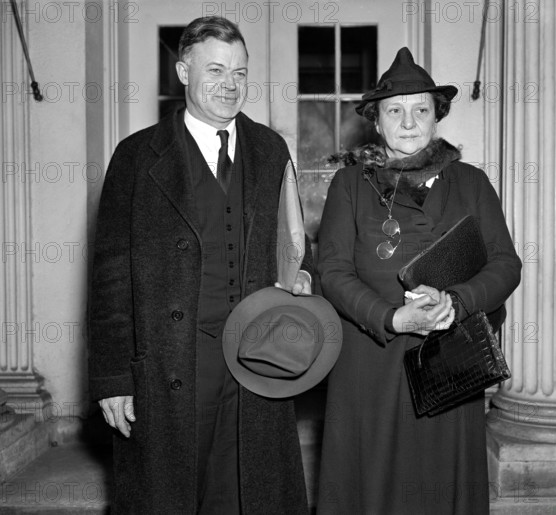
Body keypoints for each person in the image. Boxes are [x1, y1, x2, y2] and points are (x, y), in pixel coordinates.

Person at [88, 16, 312, 514]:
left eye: (240, 73)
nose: (230, 86)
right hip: (171, 364)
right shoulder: (134, 157)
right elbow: (108, 278)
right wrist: (112, 380)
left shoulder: (271, 150)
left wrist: (300, 279)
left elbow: (294, 243)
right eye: (215, 70)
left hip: (257, 358)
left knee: (249, 493)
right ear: (183, 71)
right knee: (171, 495)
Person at [316, 47, 522, 514]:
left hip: (450, 360)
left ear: (437, 118)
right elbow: (331, 270)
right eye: (395, 110)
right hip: (372, 359)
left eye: (420, 110)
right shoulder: (349, 186)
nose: (408, 122)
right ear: (376, 121)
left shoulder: (471, 182)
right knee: (370, 484)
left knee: (441, 484)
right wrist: (392, 317)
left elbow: (506, 264)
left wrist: (458, 300)